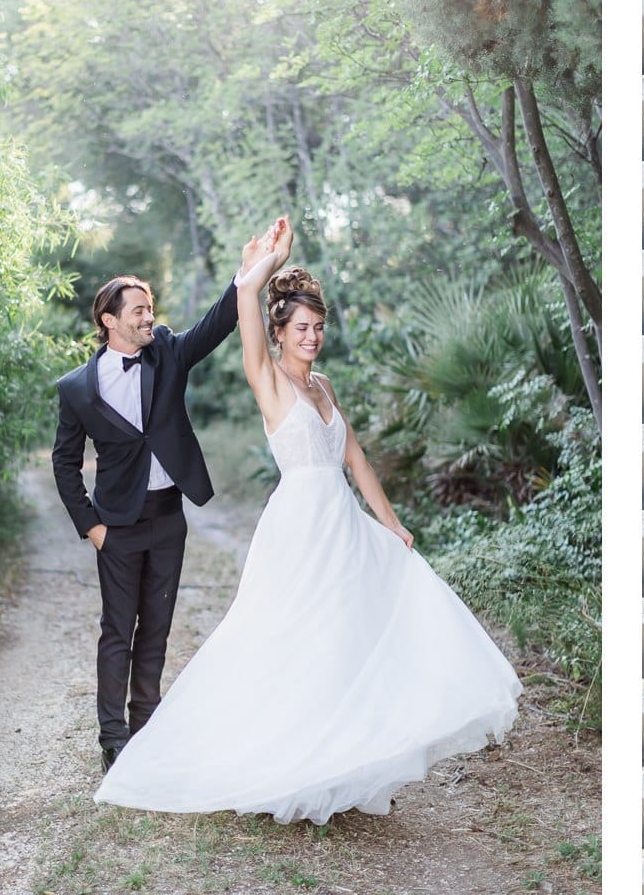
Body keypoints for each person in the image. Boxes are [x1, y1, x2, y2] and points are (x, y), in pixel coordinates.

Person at [94, 218, 521, 823]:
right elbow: (243, 302)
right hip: (297, 528)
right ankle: (276, 758)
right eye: (302, 328)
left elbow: (356, 459)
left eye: (319, 328)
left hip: (343, 523)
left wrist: (392, 522)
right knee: (289, 639)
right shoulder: (267, 379)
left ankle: (343, 761)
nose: (313, 337)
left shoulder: (324, 386)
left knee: (348, 637)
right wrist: (265, 261)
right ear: (279, 331)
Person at [52, 229, 280, 772]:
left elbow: (217, 324)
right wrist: (92, 526)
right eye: (137, 310)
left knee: (156, 627)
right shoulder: (76, 388)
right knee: (117, 631)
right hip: (117, 525)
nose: (147, 317)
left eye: (149, 307)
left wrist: (247, 274)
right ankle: (113, 739)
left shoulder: (169, 353)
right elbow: (63, 463)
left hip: (168, 519)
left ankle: (146, 728)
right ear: (109, 319)